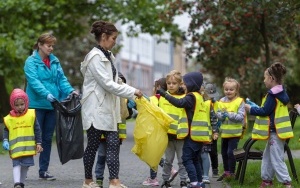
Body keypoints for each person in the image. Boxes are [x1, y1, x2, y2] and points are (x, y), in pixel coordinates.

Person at [80, 20, 143, 188]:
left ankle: (114, 181)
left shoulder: (108, 55)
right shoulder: (94, 57)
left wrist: (133, 92)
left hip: (108, 109)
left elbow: (117, 82)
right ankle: (88, 181)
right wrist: (132, 92)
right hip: (95, 109)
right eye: (113, 38)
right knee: (92, 145)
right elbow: (107, 84)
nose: (115, 41)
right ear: (104, 36)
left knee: (114, 144)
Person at [23, 33, 77, 180]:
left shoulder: (54, 61)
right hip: (36, 104)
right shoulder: (31, 62)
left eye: (52, 45)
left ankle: (43, 171)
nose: (51, 48)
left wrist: (70, 90)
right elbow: (34, 82)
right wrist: (46, 94)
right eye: (49, 45)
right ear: (40, 45)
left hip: (53, 105)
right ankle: (23, 168)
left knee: (47, 138)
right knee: (32, 137)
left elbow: (61, 80)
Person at [245, 62, 293, 188]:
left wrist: (250, 109)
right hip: (277, 132)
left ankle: (286, 182)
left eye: (265, 77)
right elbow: (268, 110)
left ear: (271, 78)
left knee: (276, 159)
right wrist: (255, 106)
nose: (263, 80)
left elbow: (264, 111)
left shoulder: (272, 95)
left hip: (275, 133)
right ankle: (267, 181)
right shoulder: (280, 93)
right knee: (267, 157)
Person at [157, 71, 208, 188]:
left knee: (186, 159)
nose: (183, 86)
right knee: (195, 160)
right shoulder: (198, 96)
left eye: (185, 83)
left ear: (191, 84)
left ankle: (194, 183)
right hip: (196, 135)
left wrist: (165, 94)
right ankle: (199, 183)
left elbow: (179, 103)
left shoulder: (191, 97)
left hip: (190, 135)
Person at [94, 73, 132, 188]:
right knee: (101, 156)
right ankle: (99, 179)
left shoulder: (124, 99)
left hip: (117, 134)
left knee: (114, 158)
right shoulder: (104, 97)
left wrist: (129, 106)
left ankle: (114, 180)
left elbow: (128, 115)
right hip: (103, 133)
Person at [2, 89, 43, 188]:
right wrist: (5, 140)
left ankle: (21, 183)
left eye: (21, 104)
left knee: (25, 166)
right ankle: (17, 183)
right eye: (17, 105)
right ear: (12, 105)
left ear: (26, 103)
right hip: (15, 148)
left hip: (27, 148)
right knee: (16, 164)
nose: (19, 107)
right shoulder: (10, 118)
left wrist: (39, 143)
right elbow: (6, 130)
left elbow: (37, 129)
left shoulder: (31, 115)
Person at [159, 70, 188, 188]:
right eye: (169, 83)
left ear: (180, 84)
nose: (171, 85)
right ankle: (165, 180)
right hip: (167, 135)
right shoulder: (162, 97)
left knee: (182, 160)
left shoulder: (184, 97)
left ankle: (183, 180)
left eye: (174, 83)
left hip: (180, 135)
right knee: (168, 160)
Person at [215, 77, 246, 181]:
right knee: (223, 152)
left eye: (231, 89)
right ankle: (226, 171)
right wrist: (221, 116)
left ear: (236, 91)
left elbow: (241, 117)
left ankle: (232, 172)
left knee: (230, 152)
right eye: (226, 89)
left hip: (235, 133)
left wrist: (229, 114)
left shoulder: (239, 101)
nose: (228, 91)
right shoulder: (221, 101)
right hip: (225, 133)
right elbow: (218, 114)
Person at [199, 83, 220, 184]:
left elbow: (215, 118)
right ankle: (202, 172)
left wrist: (215, 131)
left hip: (212, 131)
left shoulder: (216, 103)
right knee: (202, 154)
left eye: (213, 96)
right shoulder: (203, 102)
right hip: (204, 132)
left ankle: (215, 169)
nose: (211, 98)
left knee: (213, 152)